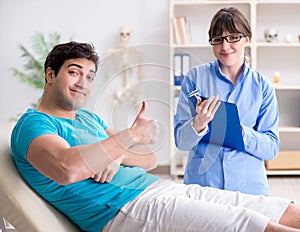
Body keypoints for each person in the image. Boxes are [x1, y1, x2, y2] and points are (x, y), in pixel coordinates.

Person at [10, 41, 300, 232]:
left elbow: (148, 160)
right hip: (122, 209)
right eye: (74, 72)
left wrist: (118, 154)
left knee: (272, 207)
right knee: (250, 223)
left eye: (89, 76)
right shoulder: (34, 125)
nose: (83, 83)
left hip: (159, 188)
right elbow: (67, 167)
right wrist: (129, 137)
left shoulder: (89, 118)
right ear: (50, 74)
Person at [174, 7, 279, 196]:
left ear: (246, 38)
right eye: (218, 39)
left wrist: (240, 132)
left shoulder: (262, 86)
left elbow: (271, 148)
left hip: (249, 189)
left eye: (233, 37)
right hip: (203, 186)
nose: (225, 46)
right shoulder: (194, 78)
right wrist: (197, 124)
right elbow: (181, 142)